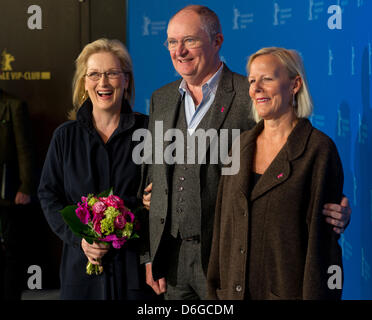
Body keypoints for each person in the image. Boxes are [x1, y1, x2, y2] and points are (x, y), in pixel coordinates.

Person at [140, 5, 351, 300]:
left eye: (190, 40)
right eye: (172, 42)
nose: (180, 51)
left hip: (230, 262)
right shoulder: (160, 99)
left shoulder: (248, 96)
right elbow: (154, 180)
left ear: (217, 42)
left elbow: (295, 163)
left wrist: (334, 212)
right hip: (174, 264)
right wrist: (151, 254)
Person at [207, 47, 344, 300]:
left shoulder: (319, 150)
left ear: (295, 84)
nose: (255, 88)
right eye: (251, 80)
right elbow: (222, 232)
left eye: (267, 79)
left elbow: (322, 250)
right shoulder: (239, 146)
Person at [38, 38, 154, 300]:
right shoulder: (64, 137)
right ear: (84, 83)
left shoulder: (149, 132)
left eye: (112, 73)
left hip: (133, 274)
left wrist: (153, 200)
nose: (103, 83)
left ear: (126, 80)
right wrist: (80, 239)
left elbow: (161, 194)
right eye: (94, 74)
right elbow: (48, 195)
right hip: (80, 274)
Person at [0, 88, 36, 300]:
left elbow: (25, 149)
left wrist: (25, 187)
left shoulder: (14, 105)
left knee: (11, 254)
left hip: (8, 193)